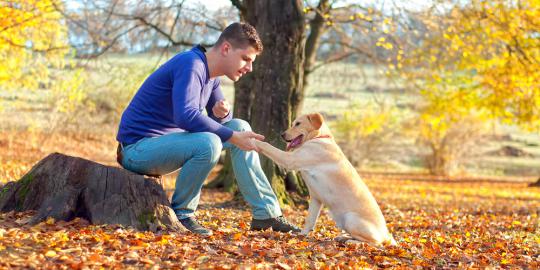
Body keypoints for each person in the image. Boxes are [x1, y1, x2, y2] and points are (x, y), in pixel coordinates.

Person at [116, 22, 300, 236]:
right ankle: (183, 214)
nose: (249, 67)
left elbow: (219, 123)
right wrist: (230, 135)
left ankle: (266, 213)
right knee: (211, 141)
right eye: (246, 59)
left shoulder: (212, 77)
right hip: (137, 150)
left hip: (170, 144)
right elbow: (186, 116)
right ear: (226, 49)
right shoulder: (191, 64)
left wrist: (221, 114)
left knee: (240, 126)